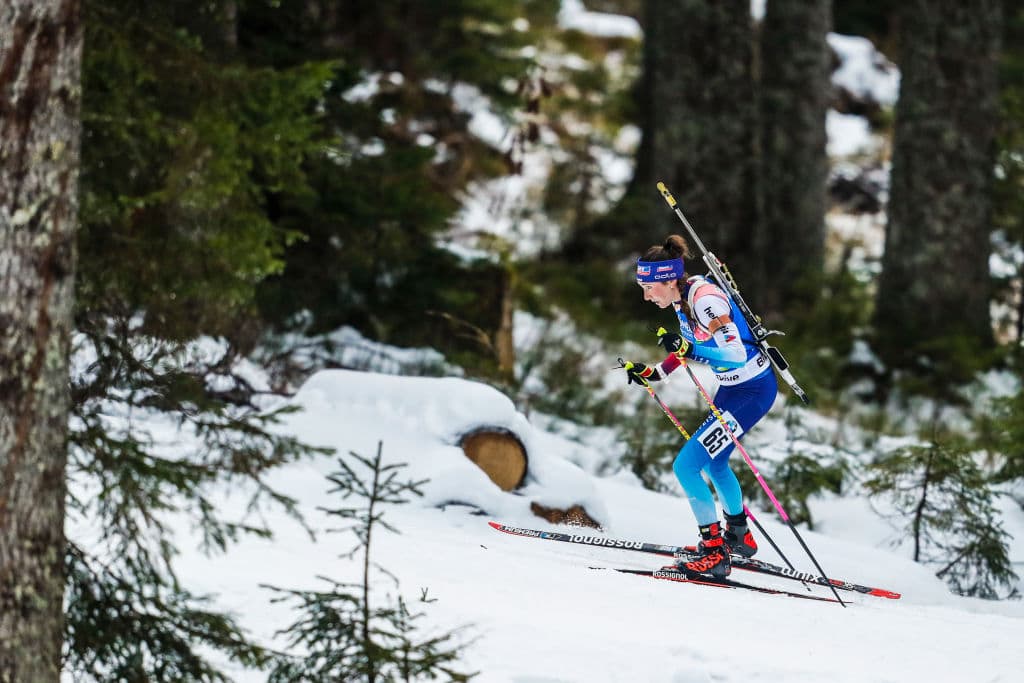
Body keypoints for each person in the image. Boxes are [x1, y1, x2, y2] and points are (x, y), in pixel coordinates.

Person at [623, 234, 777, 579]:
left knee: (687, 466)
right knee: (714, 463)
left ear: (667, 279)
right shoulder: (683, 298)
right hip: (732, 391)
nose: (647, 296)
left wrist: (690, 351)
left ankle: (713, 554)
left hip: (751, 392)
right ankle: (739, 535)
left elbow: (736, 354)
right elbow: (689, 344)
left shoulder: (706, 301)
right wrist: (655, 371)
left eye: (649, 288)